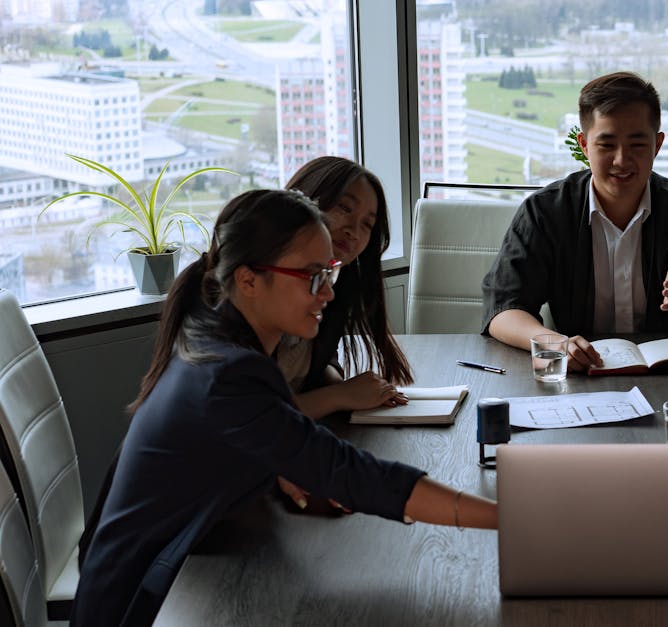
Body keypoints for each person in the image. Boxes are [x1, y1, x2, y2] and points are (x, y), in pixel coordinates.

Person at [73, 190, 498, 627]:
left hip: (161, 571)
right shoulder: (229, 374)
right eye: (312, 277)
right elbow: (351, 473)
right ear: (249, 280)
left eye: (329, 273)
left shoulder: (217, 338)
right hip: (143, 604)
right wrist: (507, 518)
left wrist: (277, 463)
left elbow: (236, 448)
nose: (328, 294)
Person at [482, 71, 668, 371]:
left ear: (657, 145)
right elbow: (502, 310)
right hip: (580, 375)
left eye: (637, 145)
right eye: (606, 144)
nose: (621, 160)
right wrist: (556, 343)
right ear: (584, 144)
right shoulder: (546, 211)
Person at [277, 156, 408, 510]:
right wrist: (340, 396)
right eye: (343, 209)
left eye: (367, 224)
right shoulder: (260, 293)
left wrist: (340, 385)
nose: (353, 231)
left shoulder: (330, 285)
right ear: (304, 201)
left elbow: (314, 360)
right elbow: (253, 419)